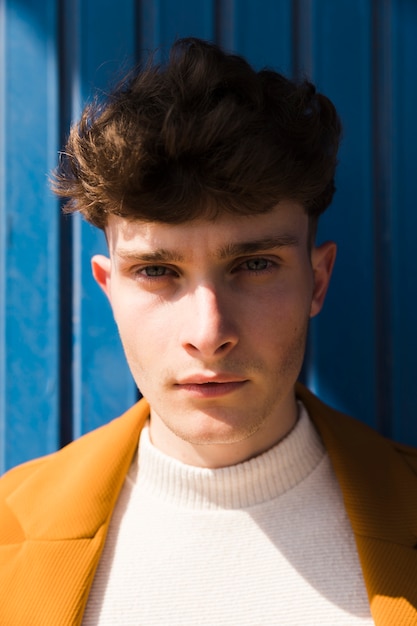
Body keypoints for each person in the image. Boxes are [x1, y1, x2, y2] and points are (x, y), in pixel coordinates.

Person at [1, 37, 416, 626]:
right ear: (109, 290)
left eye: (253, 265)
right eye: (156, 271)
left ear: (317, 281)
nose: (208, 331)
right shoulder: (7, 538)